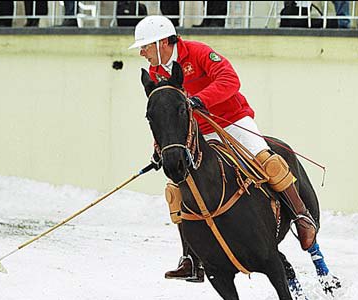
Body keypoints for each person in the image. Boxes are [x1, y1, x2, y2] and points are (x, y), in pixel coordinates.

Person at [129, 15, 319, 283]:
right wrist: (160, 146)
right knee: (177, 186)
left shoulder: (198, 52)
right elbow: (166, 118)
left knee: (269, 162)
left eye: (145, 46)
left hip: (233, 120)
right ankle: (190, 258)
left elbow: (230, 81)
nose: (142, 52)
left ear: (161, 43)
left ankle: (302, 216)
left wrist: (198, 100)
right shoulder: (155, 73)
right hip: (199, 131)